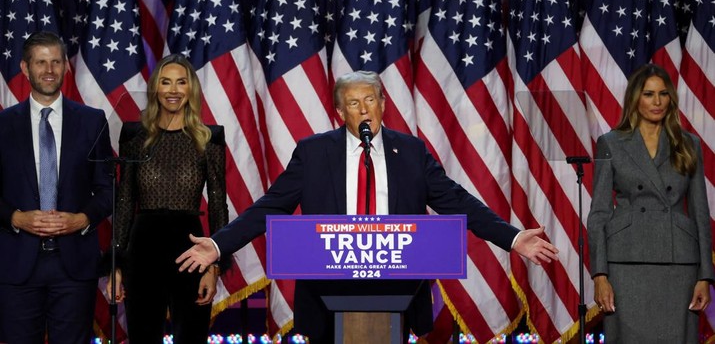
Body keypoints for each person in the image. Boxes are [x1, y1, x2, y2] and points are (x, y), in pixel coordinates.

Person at [176, 70, 559, 342]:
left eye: (370, 99)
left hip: (397, 288)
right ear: (340, 113)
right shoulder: (313, 153)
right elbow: (271, 206)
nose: (364, 109)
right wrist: (219, 244)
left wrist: (511, 238)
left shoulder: (410, 151)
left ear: (383, 104)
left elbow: (456, 200)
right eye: (353, 103)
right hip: (328, 290)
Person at [0, 31, 113, 343]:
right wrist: (15, 218)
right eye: (40, 62)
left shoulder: (92, 121)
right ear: (25, 68)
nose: (48, 70)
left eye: (55, 62)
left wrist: (83, 219)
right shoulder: (3, 125)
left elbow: (108, 189)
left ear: (65, 66)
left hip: (74, 265)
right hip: (16, 264)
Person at [587, 63, 713, 342]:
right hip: (625, 263)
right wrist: (600, 274)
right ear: (635, 98)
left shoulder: (689, 144)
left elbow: (700, 212)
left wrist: (705, 275)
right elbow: (598, 213)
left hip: (678, 264)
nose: (657, 102)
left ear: (671, 98)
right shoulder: (611, 143)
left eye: (663, 94)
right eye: (648, 94)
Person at [107, 54, 228, 343]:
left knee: (191, 336)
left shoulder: (208, 138)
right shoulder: (135, 136)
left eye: (181, 82)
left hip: (192, 250)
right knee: (143, 336)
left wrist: (214, 268)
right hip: (143, 249)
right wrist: (116, 266)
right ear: (155, 89)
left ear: (191, 89)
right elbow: (124, 202)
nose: (173, 90)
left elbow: (218, 204)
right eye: (166, 82)